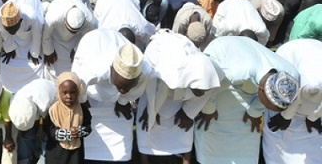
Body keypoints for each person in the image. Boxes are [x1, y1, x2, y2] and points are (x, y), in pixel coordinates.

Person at [193, 36, 300, 164]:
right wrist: (209, 109)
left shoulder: (291, 77)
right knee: (213, 122)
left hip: (247, 70)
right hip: (222, 58)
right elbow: (210, 85)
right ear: (260, 90)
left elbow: (274, 97)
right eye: (268, 106)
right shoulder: (235, 73)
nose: (267, 110)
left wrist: (254, 111)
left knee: (247, 128)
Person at [136, 31, 222, 164]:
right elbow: (155, 89)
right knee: (148, 121)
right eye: (198, 91)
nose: (201, 94)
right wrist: (152, 111)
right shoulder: (170, 71)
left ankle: (186, 159)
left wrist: (189, 112)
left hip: (179, 67)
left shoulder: (210, 70)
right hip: (156, 67)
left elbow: (209, 90)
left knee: (184, 122)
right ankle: (144, 157)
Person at [72, 29, 154, 163]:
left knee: (121, 146)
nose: (124, 90)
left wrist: (122, 101)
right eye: (121, 86)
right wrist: (83, 100)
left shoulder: (144, 70)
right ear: (111, 70)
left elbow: (136, 90)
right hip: (92, 91)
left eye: (128, 86)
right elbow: (78, 83)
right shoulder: (95, 69)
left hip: (113, 98)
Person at [262, 39, 322, 164]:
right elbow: (299, 93)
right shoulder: (313, 82)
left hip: (312, 61)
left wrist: (313, 117)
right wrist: (285, 116)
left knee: (311, 136)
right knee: (278, 110)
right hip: (291, 57)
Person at [0, 0, 44, 93]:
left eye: (12, 28)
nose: (10, 31)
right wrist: (9, 48)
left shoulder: (33, 16)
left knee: (35, 63)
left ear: (21, 21)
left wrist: (34, 52)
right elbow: (4, 32)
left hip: (33, 3)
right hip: (17, 2)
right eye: (8, 28)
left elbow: (37, 35)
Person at [44, 71, 92, 164]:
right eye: (64, 93)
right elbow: (48, 130)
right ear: (59, 91)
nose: (68, 96)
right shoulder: (53, 110)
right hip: (56, 155)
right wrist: (65, 134)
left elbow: (88, 127)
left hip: (75, 155)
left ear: (78, 92)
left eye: (72, 92)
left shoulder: (82, 109)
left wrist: (79, 131)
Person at [42, 0, 97, 75]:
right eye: (70, 30)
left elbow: (88, 38)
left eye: (74, 31)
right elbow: (46, 36)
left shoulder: (90, 22)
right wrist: (48, 52)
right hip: (55, 35)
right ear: (64, 19)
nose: (71, 33)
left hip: (76, 39)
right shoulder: (53, 17)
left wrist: (76, 49)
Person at [9, 78, 58, 164]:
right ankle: (24, 161)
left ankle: (44, 159)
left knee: (47, 136)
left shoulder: (45, 103)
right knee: (26, 136)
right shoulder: (15, 102)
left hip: (52, 103)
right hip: (31, 104)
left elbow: (47, 121)